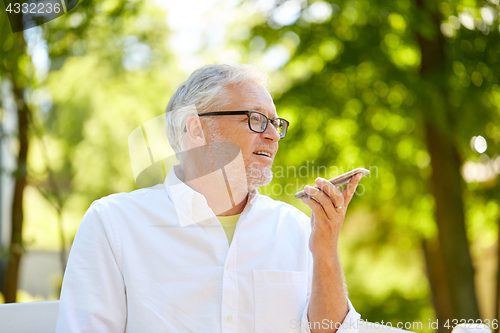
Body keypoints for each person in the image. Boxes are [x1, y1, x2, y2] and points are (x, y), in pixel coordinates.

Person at [56, 64, 364, 332]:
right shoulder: (114, 223)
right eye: (256, 119)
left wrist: (325, 251)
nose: (272, 135)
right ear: (196, 129)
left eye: (276, 123)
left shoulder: (297, 228)